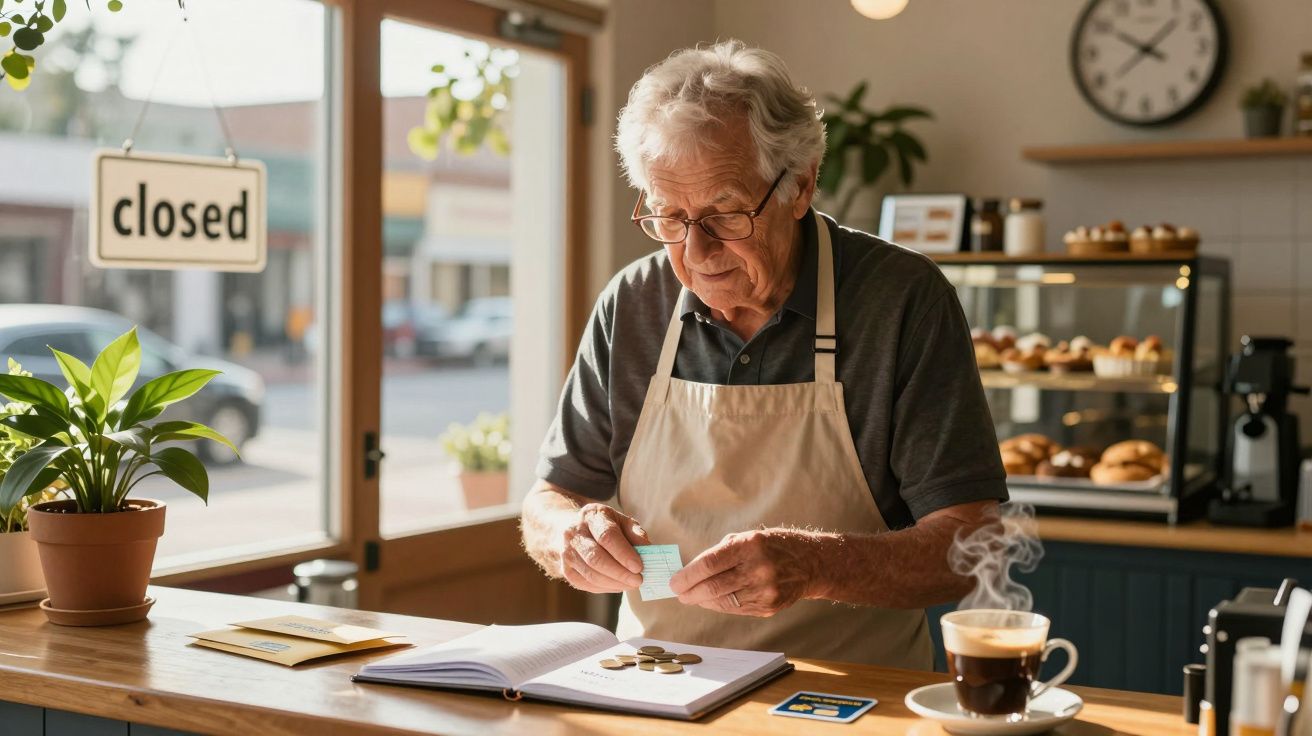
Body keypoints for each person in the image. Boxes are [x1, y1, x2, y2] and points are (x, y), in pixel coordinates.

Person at [520, 40, 1007, 668]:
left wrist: (817, 565)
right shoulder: (634, 304)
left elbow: (972, 544)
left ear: (800, 186)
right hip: (660, 685)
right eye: (670, 217)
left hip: (852, 695)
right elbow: (549, 498)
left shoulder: (901, 299)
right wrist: (569, 535)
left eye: (725, 212)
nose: (697, 251)